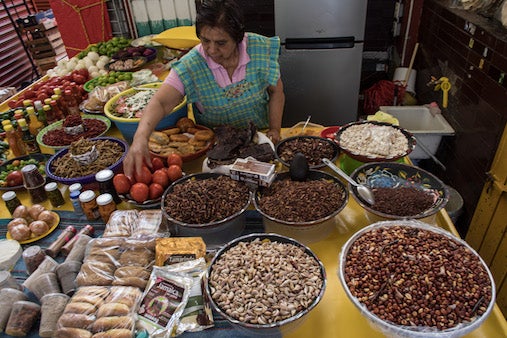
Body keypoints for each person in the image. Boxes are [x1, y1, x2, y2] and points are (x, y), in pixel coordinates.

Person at [123, 0, 285, 178]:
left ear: (238, 38)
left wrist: (275, 130)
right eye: (205, 40)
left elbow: (275, 91)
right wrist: (140, 138)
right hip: (217, 155)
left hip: (258, 142)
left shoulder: (260, 49)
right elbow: (160, 102)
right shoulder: (191, 65)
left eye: (221, 43)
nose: (212, 50)